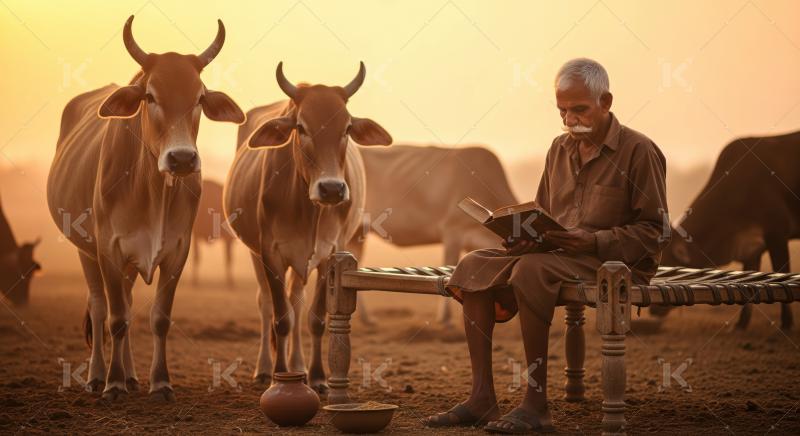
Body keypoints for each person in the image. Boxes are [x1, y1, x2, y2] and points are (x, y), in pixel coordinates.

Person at [423, 58, 669, 433]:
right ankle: (481, 398)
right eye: (563, 111)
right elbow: (543, 212)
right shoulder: (559, 149)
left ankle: (536, 405)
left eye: (579, 109)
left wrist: (593, 240)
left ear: (606, 101)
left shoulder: (639, 151)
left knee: (533, 269)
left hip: (615, 265)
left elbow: (653, 232)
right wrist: (521, 235)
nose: (570, 120)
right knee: (473, 265)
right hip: (558, 255)